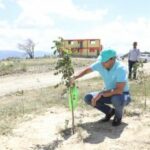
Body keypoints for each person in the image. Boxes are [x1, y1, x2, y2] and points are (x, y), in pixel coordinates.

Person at [71, 49, 131, 126]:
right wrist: (75, 77)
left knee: (116, 99)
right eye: (101, 61)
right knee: (88, 98)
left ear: (113, 59)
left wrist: (102, 93)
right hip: (109, 93)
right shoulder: (100, 63)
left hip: (123, 95)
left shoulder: (121, 68)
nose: (102, 63)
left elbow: (119, 90)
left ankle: (118, 117)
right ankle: (109, 112)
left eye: (105, 61)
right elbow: (87, 70)